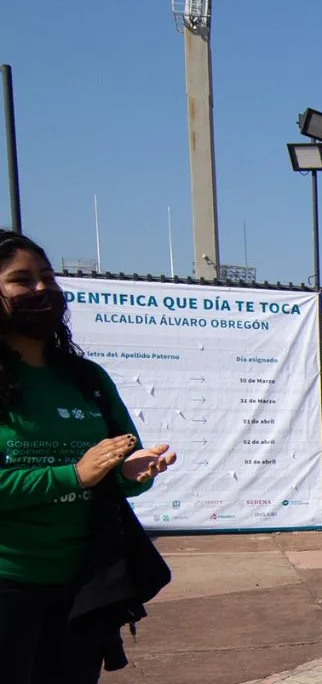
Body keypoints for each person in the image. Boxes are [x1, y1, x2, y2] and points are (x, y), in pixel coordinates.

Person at [0, 230, 176, 684]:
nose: (41, 290)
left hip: (82, 585)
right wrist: (72, 475)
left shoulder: (84, 377)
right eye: (21, 280)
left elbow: (118, 467)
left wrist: (132, 473)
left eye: (47, 277)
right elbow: (79, 475)